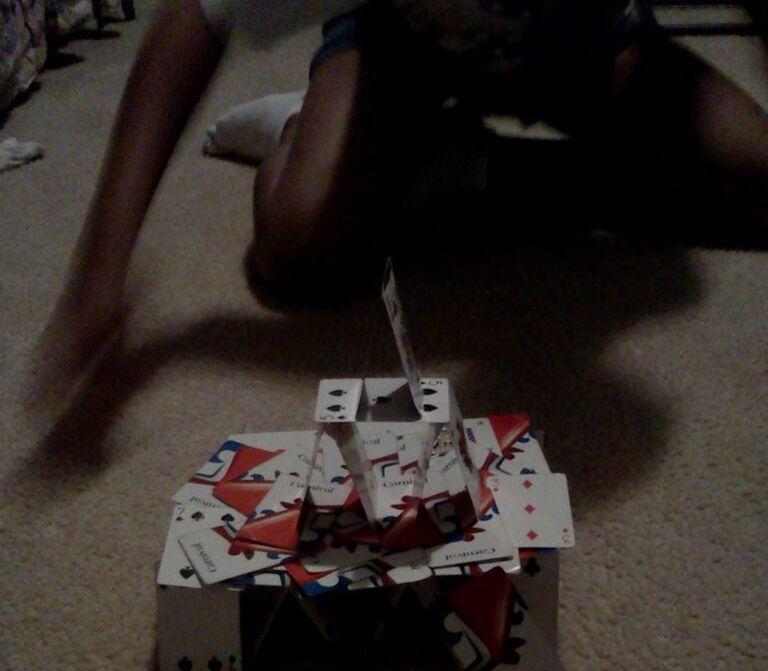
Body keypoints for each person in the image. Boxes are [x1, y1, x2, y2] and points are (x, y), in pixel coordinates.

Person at [29, 0, 768, 415]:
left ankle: (468, 165)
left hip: (584, 42)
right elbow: (198, 19)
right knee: (298, 245)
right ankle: (306, 122)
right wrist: (100, 272)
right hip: (397, 45)